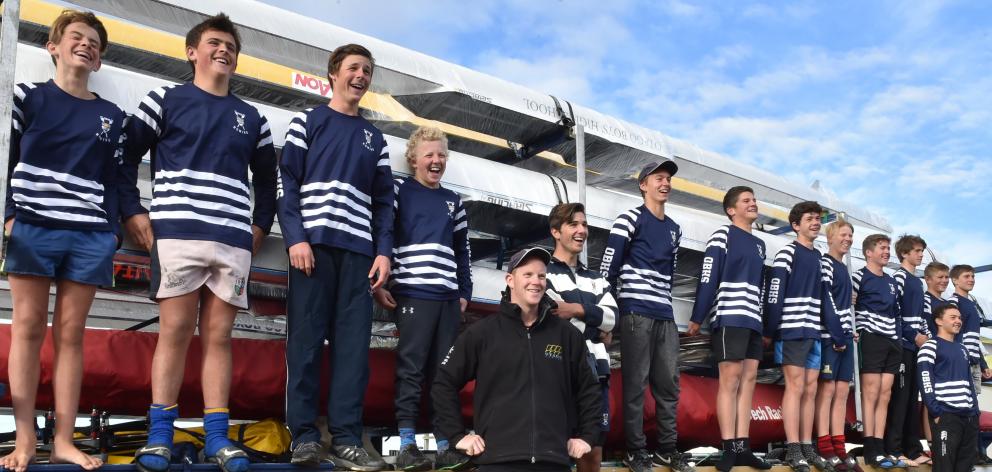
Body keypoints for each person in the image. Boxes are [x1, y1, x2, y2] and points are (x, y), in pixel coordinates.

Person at [121, 13, 278, 472]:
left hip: (231, 240)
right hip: (177, 233)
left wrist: (260, 227)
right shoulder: (165, 99)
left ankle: (216, 438)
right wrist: (133, 210)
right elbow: (125, 156)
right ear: (192, 52)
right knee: (173, 332)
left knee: (218, 338)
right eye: (213, 42)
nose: (223, 50)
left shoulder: (253, 117)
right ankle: (158, 437)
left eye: (230, 45)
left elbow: (267, 182)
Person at [0, 10, 123, 472]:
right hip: (32, 225)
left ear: (99, 60)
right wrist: (10, 216)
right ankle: (27, 439)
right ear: (53, 46)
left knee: (71, 336)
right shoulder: (25, 97)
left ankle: (65, 441)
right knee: (28, 329)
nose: (86, 45)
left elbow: (114, 178)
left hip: (89, 233)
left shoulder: (112, 116)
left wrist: (111, 230)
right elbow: (4, 155)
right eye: (77, 37)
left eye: (95, 42)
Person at [278, 43, 393, 471]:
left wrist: (384, 252)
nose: (361, 76)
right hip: (312, 250)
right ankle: (304, 436)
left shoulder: (375, 138)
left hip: (359, 254)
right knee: (304, 345)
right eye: (353, 68)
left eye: (367, 70)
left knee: (353, 352)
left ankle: (347, 438)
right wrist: (296, 239)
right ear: (333, 74)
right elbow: (287, 181)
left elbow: (384, 203)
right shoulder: (307, 120)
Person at [432, 247, 601, 472]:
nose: (536, 282)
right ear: (510, 280)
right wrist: (456, 436)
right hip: (496, 462)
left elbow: (589, 390)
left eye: (541, 276)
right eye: (528, 275)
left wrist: (587, 437)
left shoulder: (567, 335)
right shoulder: (482, 333)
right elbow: (443, 382)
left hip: (553, 462)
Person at [371, 126, 472, 471]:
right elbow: (383, 230)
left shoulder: (453, 201)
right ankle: (407, 446)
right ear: (413, 158)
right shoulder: (400, 191)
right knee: (411, 369)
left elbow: (463, 251)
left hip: (447, 297)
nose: (436, 160)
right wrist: (382, 281)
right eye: (429, 154)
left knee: (444, 373)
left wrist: (464, 293)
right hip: (413, 291)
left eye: (441, 155)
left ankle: (446, 444)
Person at [600, 161, 693, 472]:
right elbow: (607, 270)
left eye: (668, 179)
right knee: (635, 384)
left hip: (664, 313)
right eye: (658, 178)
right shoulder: (628, 218)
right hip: (635, 312)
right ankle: (634, 450)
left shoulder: (674, 228)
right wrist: (608, 317)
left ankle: (667, 449)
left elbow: (669, 274)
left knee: (669, 384)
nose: (665, 183)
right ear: (643, 185)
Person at [687, 186, 770, 472]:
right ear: (731, 210)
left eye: (754, 200)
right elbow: (708, 276)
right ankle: (728, 447)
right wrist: (698, 317)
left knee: (749, 382)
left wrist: (764, 323)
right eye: (746, 200)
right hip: (729, 316)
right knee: (730, 380)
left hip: (753, 321)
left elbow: (760, 287)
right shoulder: (723, 235)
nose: (753, 203)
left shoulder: (760, 245)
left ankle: (743, 447)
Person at [764, 201, 840, 472]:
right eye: (810, 218)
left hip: (814, 333)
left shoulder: (821, 259)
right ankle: (793, 448)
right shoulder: (787, 253)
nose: (816, 222)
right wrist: (770, 331)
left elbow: (825, 299)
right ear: (796, 225)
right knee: (795, 388)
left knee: (810, 389)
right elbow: (774, 294)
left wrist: (838, 332)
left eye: (818, 218)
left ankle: (808, 447)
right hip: (792, 330)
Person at [543, 203, 618, 472]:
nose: (581, 230)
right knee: (556, 451)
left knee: (592, 452)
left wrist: (575, 309)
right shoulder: (543, 273)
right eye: (573, 224)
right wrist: (596, 328)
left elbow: (613, 317)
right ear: (555, 231)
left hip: (596, 372)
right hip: (558, 371)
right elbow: (550, 317)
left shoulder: (598, 278)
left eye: (584, 225)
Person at [852, 234, 904, 468]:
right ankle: (871, 448)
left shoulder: (892, 281)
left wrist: (899, 340)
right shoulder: (858, 276)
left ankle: (880, 446)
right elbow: (848, 306)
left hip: (892, 340)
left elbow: (897, 313)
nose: (886, 252)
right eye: (882, 248)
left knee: (885, 395)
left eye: (887, 248)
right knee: (871, 393)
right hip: (870, 337)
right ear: (868, 252)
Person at [812, 219, 859, 472]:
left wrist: (851, 331)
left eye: (850, 235)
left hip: (845, 337)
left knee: (842, 392)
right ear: (830, 237)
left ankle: (839, 443)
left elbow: (845, 304)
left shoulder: (844, 268)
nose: (848, 239)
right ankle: (823, 443)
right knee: (827, 390)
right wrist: (838, 334)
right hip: (831, 337)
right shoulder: (826, 263)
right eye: (843, 234)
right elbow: (826, 301)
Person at [884, 235, 930, 466]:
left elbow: (921, 316)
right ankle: (893, 448)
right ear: (904, 254)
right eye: (917, 251)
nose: (921, 254)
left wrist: (926, 338)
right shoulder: (898, 278)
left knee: (913, 398)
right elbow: (895, 313)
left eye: (922, 251)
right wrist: (914, 336)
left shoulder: (919, 282)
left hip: (916, 348)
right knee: (900, 399)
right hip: (901, 346)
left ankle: (913, 448)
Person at [918, 304, 980, 472]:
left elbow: (969, 384)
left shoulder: (963, 349)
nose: (958, 321)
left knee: (965, 468)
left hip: (969, 418)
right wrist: (936, 412)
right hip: (946, 415)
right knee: (944, 467)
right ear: (938, 321)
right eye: (953, 317)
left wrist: (975, 411)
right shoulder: (930, 346)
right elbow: (925, 381)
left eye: (959, 318)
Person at [946, 264, 992, 464]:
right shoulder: (953, 303)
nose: (971, 279)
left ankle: (977, 450)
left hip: (974, 361)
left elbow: (975, 337)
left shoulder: (971, 303)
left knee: (973, 408)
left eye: (973, 276)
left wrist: (982, 363)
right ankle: (968, 452)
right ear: (955, 280)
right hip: (961, 361)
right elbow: (954, 334)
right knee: (963, 407)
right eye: (967, 276)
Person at [920, 262, 951, 453]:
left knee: (943, 397)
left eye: (946, 277)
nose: (944, 281)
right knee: (928, 398)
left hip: (946, 357)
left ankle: (943, 440)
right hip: (931, 355)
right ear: (928, 279)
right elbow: (922, 323)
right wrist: (933, 344)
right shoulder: (925, 300)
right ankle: (931, 443)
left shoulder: (946, 305)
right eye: (940, 277)